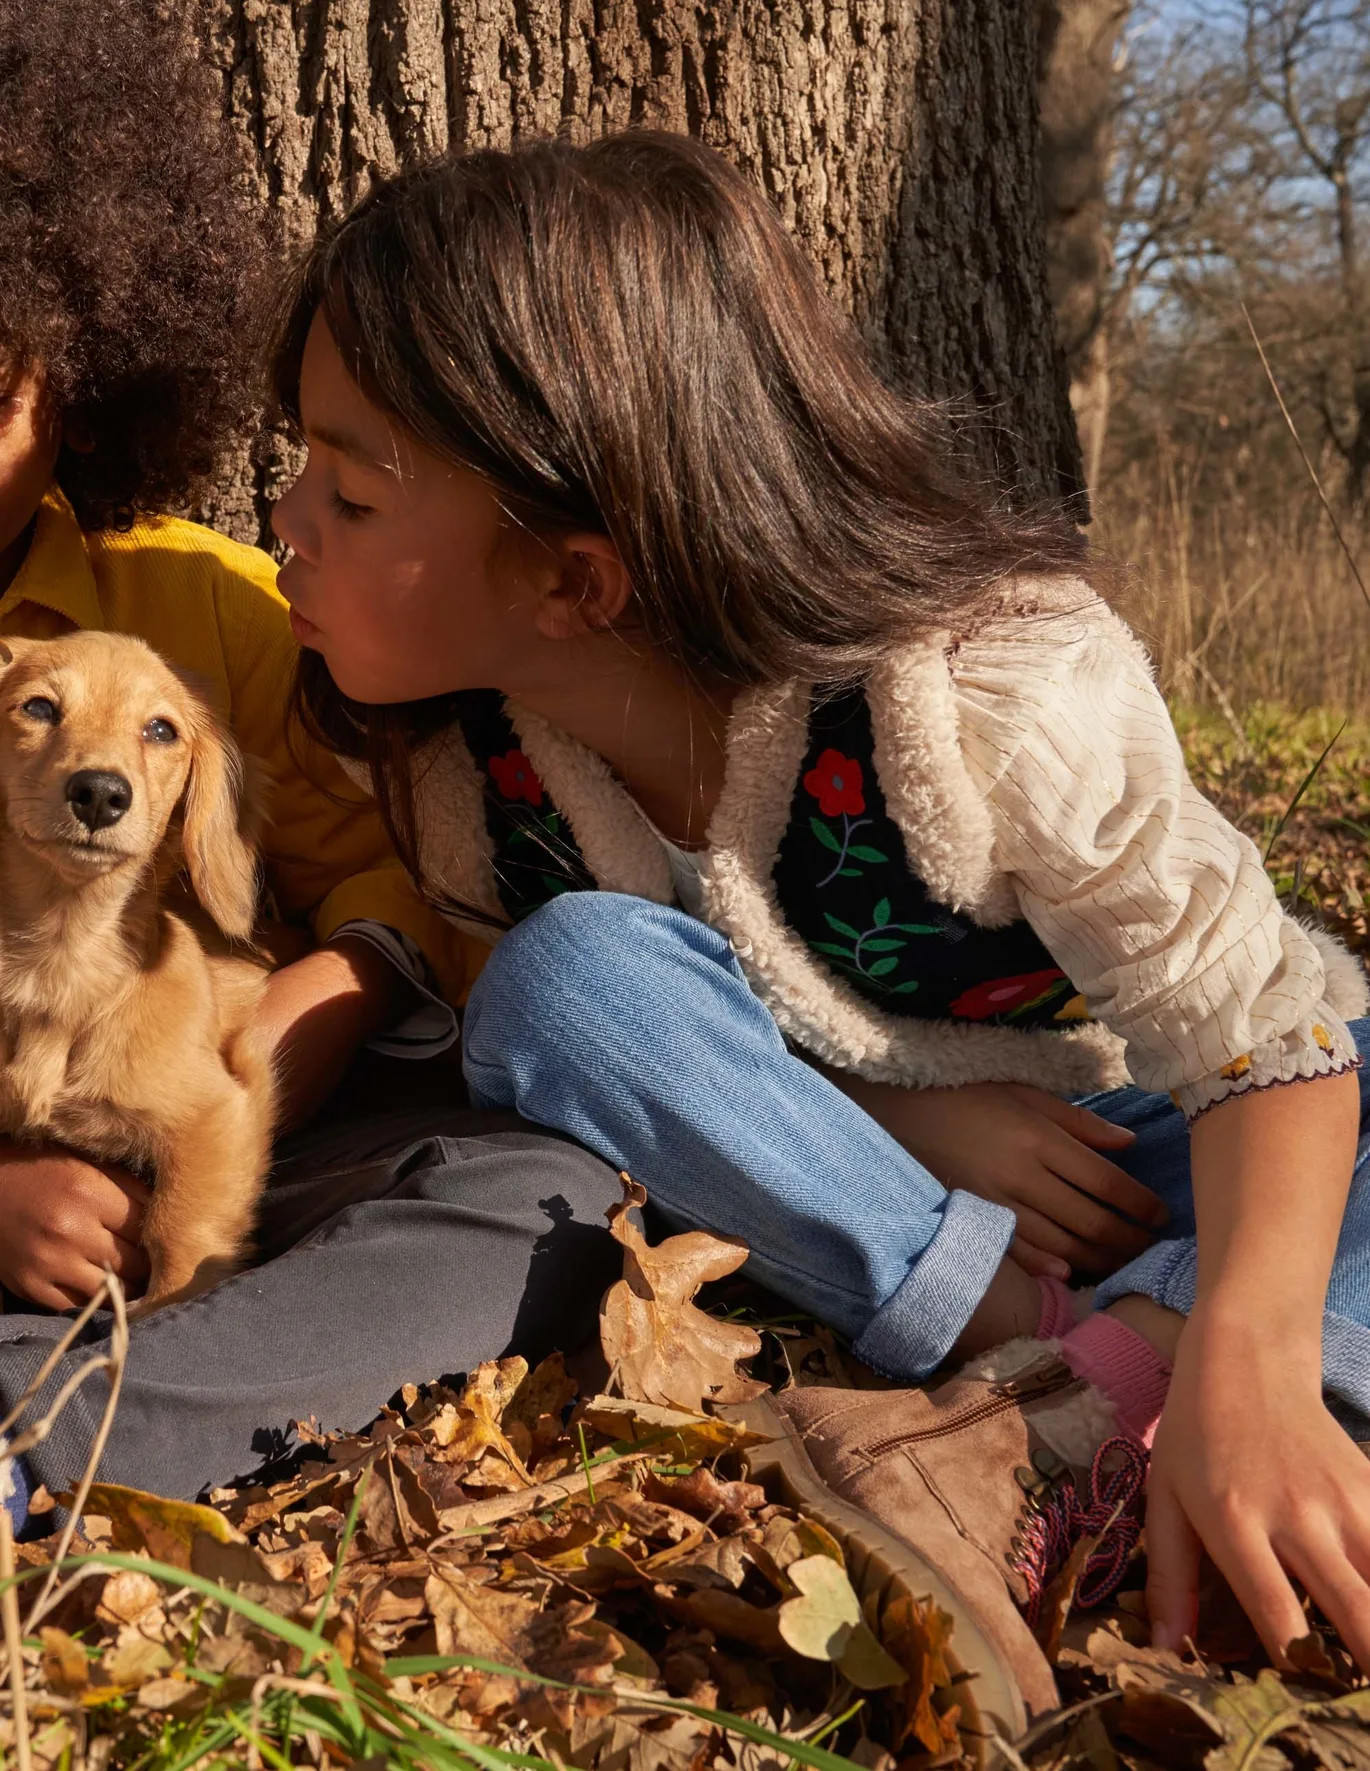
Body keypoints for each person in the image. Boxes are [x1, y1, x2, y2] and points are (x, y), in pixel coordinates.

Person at [267, 130, 1370, 1687]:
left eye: (350, 492)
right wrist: (894, 1113)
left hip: (1160, 1161)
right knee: (564, 979)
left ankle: (1154, 1392)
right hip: (897, 1212)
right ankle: (1071, 1372)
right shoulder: (475, 776)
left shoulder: (988, 693)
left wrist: (1250, 1358)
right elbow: (608, 1047)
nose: (284, 521)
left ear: (577, 576)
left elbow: (1264, 1039)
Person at [0, 0, 626, 1519]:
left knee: (549, 1191)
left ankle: (83, 1420)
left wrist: (306, 1014)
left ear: (80, 370)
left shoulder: (217, 610)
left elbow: (409, 884)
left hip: (236, 1143)